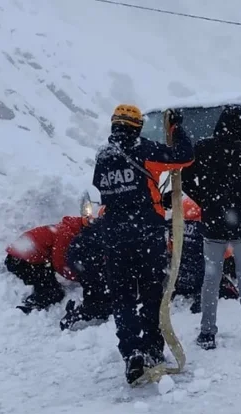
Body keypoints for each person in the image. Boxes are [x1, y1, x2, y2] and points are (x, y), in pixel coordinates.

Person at [92, 104, 193, 384]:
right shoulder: (143, 150)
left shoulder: (103, 156)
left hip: (113, 237)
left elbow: (105, 192)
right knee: (151, 294)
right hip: (146, 234)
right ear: (136, 127)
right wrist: (176, 130)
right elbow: (184, 158)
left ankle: (131, 352)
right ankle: (152, 349)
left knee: (122, 298)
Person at [181, 105, 241, 350]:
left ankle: (207, 333)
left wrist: (204, 200)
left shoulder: (203, 148)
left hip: (213, 224)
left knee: (210, 280)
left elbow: (187, 179)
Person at [168, 197, 239, 314]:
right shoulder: (209, 227)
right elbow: (226, 254)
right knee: (233, 292)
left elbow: (170, 249)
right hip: (203, 279)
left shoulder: (175, 226)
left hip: (181, 280)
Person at [4, 215, 85, 313]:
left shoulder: (67, 228)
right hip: (20, 262)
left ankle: (39, 299)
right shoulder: (65, 234)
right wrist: (79, 278)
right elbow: (59, 263)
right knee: (52, 291)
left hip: (25, 258)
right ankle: (33, 305)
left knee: (50, 281)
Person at [60, 212, 110, 331]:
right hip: (85, 261)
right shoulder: (110, 227)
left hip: (80, 259)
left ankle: (88, 309)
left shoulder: (100, 225)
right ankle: (80, 313)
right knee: (100, 290)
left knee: (95, 290)